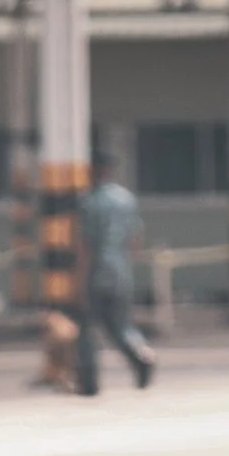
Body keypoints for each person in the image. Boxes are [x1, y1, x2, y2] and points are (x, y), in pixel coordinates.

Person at [74, 154, 156, 394]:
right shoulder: (126, 199)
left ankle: (89, 381)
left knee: (87, 325)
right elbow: (135, 238)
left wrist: (79, 280)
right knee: (120, 323)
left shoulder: (88, 202)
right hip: (121, 270)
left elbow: (85, 245)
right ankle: (142, 354)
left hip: (97, 270)